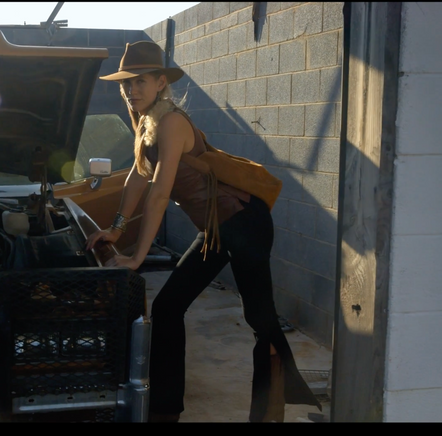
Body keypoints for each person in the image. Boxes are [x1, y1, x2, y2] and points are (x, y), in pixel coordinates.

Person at [85, 41, 322, 423]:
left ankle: (270, 411)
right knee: (167, 308)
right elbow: (137, 177)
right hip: (217, 228)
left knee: (260, 319)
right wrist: (115, 229)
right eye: (127, 84)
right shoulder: (147, 124)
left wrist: (138, 255)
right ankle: (165, 410)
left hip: (244, 222)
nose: (132, 90)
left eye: (141, 81)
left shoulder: (172, 122)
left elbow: (160, 192)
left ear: (161, 82)